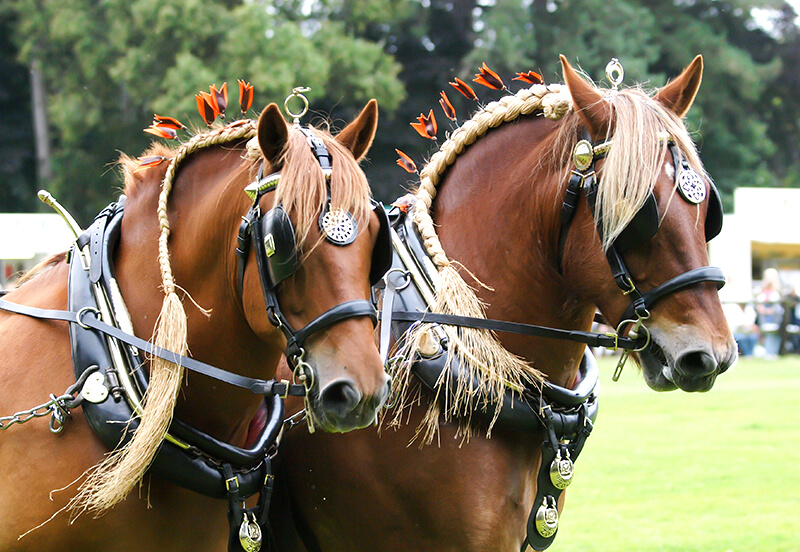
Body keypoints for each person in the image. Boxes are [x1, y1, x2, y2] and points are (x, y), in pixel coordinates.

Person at [755, 268, 783, 358]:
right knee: (764, 335)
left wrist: (769, 310)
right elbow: (758, 305)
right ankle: (767, 352)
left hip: (774, 318)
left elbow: (778, 308)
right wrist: (762, 309)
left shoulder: (778, 291)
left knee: (773, 334)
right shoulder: (761, 290)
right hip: (763, 318)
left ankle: (772, 352)